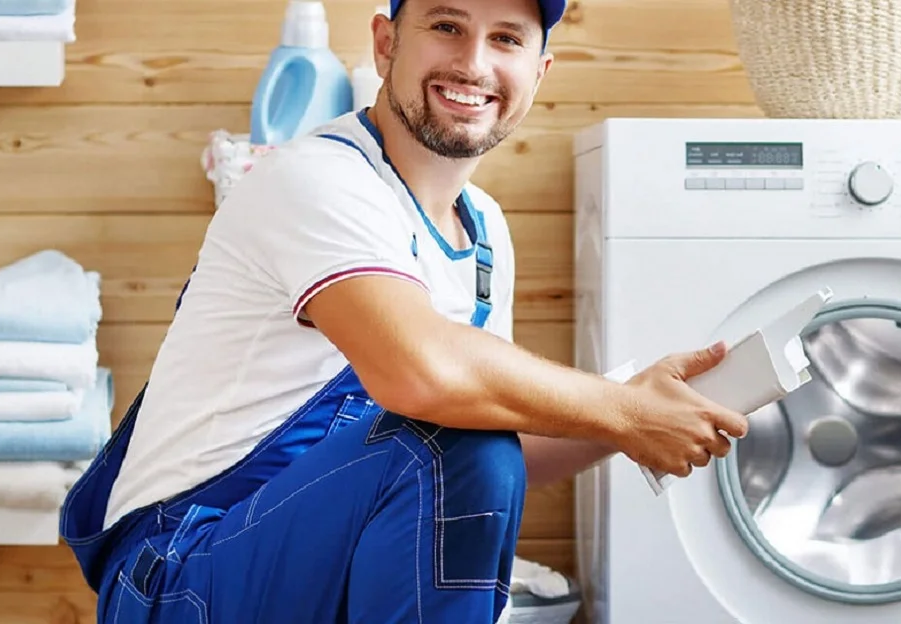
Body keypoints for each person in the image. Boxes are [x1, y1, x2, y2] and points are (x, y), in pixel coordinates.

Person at [57, 0, 750, 621]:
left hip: (306, 557)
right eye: (446, 26)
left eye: (505, 39)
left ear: (538, 72)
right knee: (454, 435)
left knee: (469, 441)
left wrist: (639, 415)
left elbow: (495, 446)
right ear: (386, 43)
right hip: (183, 573)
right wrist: (624, 412)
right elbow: (422, 378)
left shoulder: (484, 230)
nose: (474, 64)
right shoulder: (321, 179)